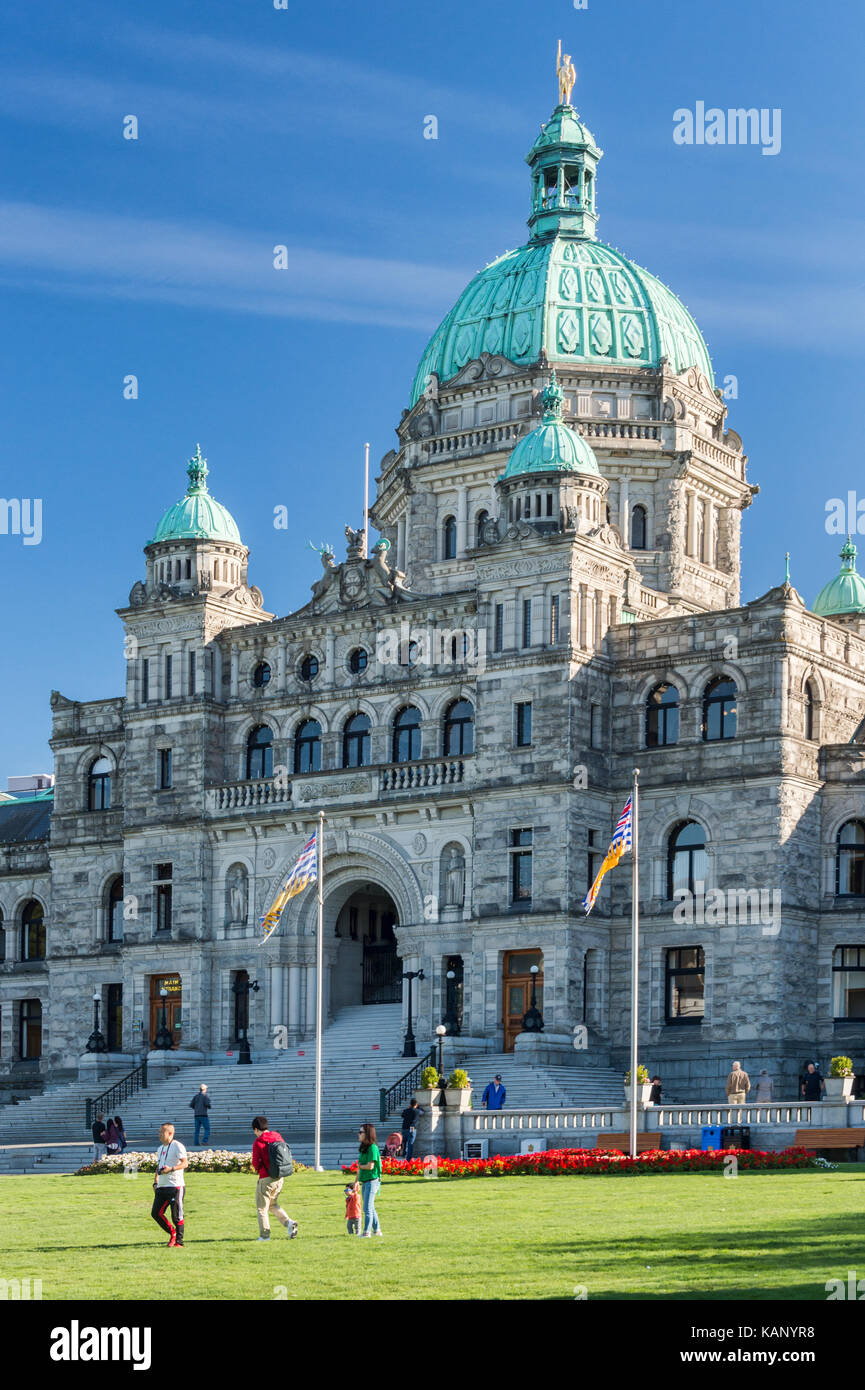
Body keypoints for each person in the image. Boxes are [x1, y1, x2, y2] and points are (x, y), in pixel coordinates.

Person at [251, 1115, 298, 1242]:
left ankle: (265, 1236)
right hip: (280, 1176)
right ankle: (289, 1223)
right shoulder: (277, 1136)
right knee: (273, 1204)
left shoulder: (259, 1142)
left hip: (266, 1178)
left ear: (256, 1129)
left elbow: (255, 1162)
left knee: (262, 1208)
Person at [150, 1122, 188, 1248]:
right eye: (159, 1132)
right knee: (155, 1213)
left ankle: (179, 1242)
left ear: (170, 1133)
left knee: (176, 1215)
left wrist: (171, 1169)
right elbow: (159, 1167)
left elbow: (185, 1164)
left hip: (175, 1186)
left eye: (162, 1132)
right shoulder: (160, 1148)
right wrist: (155, 1182)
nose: (159, 1134)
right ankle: (173, 1233)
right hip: (161, 1186)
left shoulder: (177, 1146)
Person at [357, 1121, 383, 1237]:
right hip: (365, 1180)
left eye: (361, 1132)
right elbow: (360, 1167)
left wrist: (360, 1166)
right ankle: (377, 1230)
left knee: (367, 1208)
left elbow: (370, 1166)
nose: (359, 1134)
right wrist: (356, 1181)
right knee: (369, 1206)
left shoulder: (373, 1147)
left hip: (372, 1181)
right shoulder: (364, 1148)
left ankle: (366, 1232)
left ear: (367, 1134)